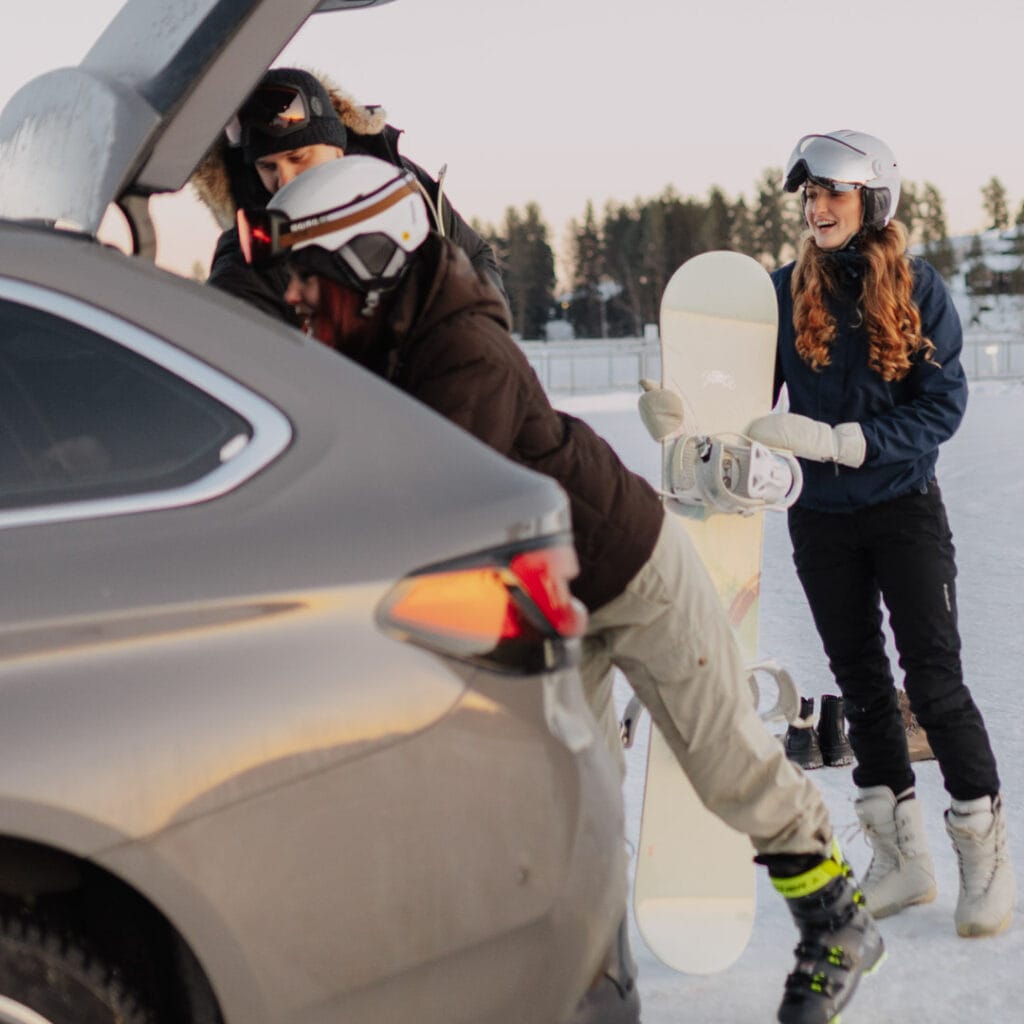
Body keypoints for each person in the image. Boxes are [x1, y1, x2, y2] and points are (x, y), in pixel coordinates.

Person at [236, 153, 884, 1024]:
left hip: (630, 567)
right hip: (550, 604)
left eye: (313, 285)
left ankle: (837, 920)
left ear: (376, 259)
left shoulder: (463, 354)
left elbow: (427, 529)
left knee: (722, 759)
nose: (303, 308)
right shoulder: (380, 338)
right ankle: (596, 980)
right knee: (570, 800)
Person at [745, 129, 1015, 939]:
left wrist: (855, 442)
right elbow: (739, 391)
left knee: (933, 683)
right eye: (809, 193)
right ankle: (903, 863)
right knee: (861, 686)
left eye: (833, 191)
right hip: (819, 521)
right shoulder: (782, 289)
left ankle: (984, 857)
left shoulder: (920, 289)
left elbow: (944, 404)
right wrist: (691, 413)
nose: (817, 205)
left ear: (873, 199)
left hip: (903, 507)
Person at [190, 67, 505, 324]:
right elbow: (227, 331)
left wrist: (475, 326)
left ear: (336, 147)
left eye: (298, 157)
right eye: (267, 166)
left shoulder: (400, 186)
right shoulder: (254, 245)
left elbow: (476, 255)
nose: (284, 179)